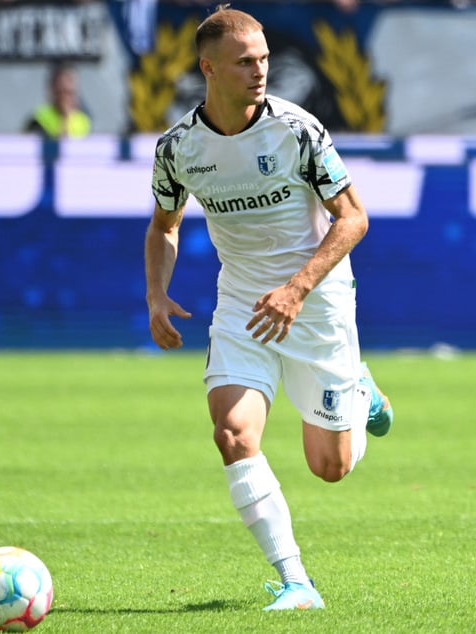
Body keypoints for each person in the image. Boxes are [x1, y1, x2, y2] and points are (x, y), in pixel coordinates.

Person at [144, 4, 393, 611]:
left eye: (264, 59)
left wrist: (297, 288)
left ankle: (358, 390)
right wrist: (156, 293)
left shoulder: (297, 130)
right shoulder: (179, 147)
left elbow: (353, 217)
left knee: (329, 468)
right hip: (243, 304)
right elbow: (164, 226)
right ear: (208, 68)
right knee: (231, 433)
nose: (259, 71)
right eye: (244, 62)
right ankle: (296, 582)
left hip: (316, 299)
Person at [23, 62, 91, 138]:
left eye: (70, 92)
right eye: (62, 92)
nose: (67, 98)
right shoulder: (40, 119)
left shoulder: (83, 120)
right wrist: (64, 119)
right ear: (53, 90)